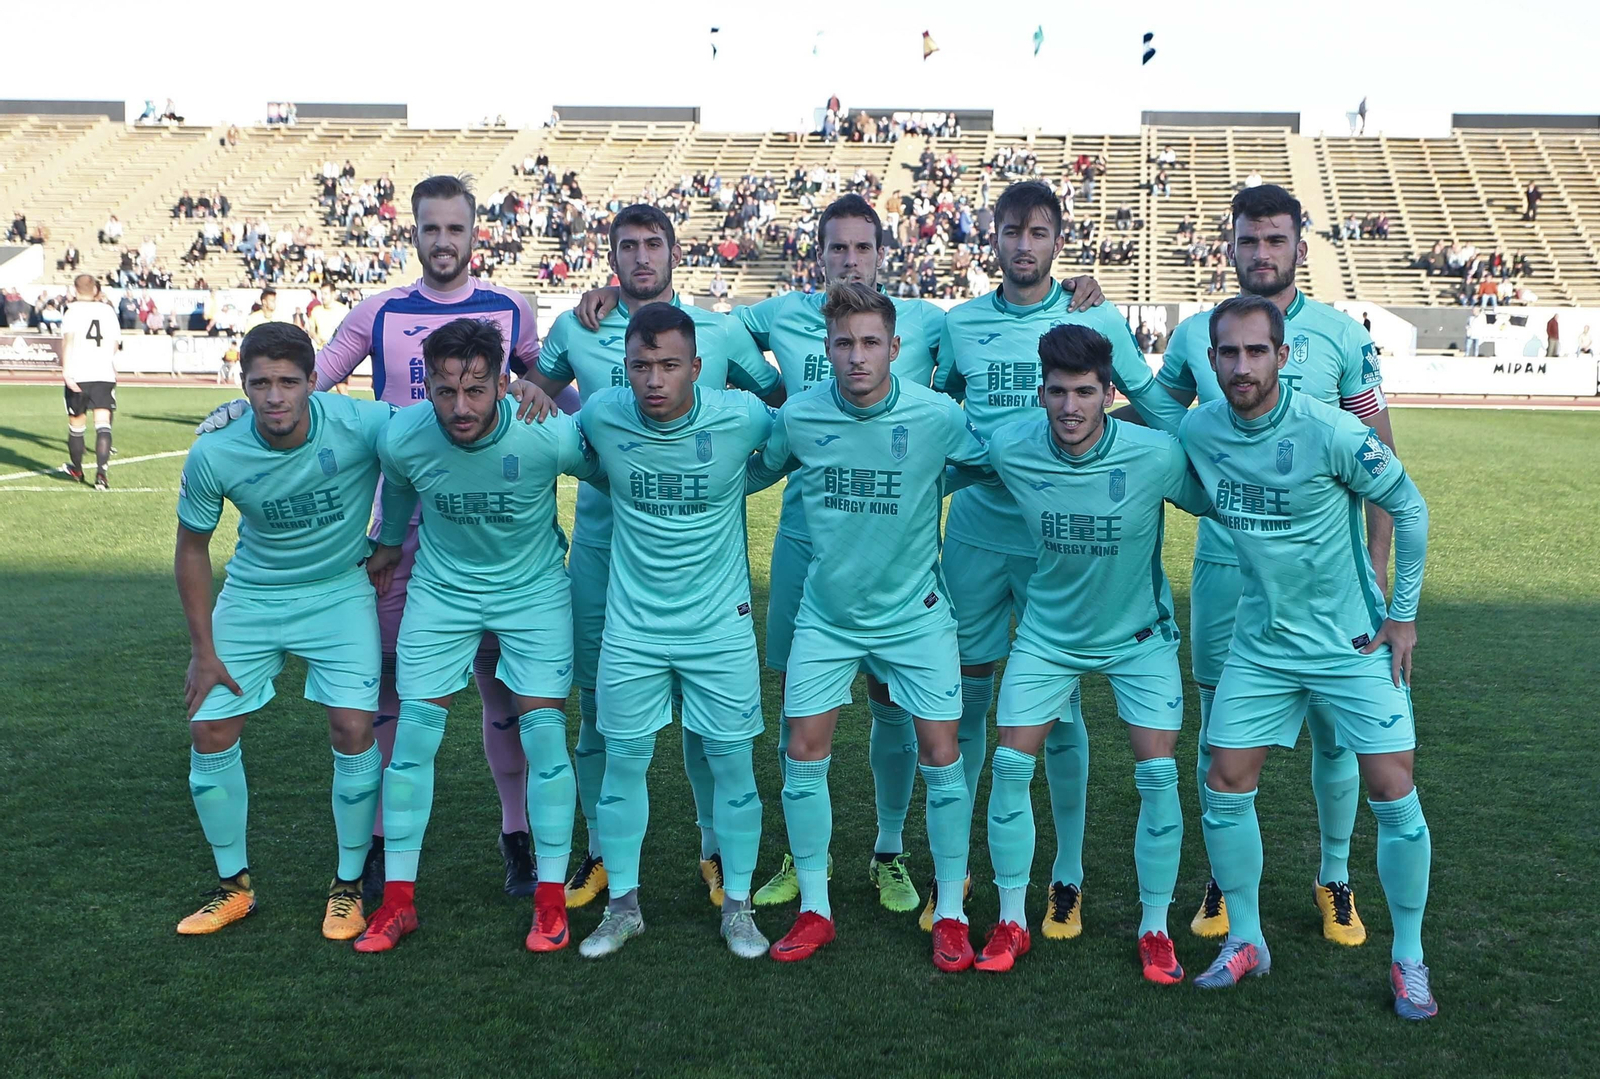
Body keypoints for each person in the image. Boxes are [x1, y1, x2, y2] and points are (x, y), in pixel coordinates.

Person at [195, 175, 562, 905]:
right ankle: (383, 847)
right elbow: (315, 381)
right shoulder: (379, 310)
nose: (444, 241)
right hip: (401, 532)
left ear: (474, 232)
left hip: (489, 528)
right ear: (414, 233)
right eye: (431, 229)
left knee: (505, 690)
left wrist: (550, 384)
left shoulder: (512, 308)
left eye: (456, 229)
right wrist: (244, 401)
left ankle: (516, 836)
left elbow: (549, 391)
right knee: (391, 689)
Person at [1116, 185, 1396, 946]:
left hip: (1329, 583)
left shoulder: (1339, 334)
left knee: (1338, 733)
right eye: (1249, 240)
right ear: (1230, 245)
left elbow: (1382, 451)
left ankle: (1334, 874)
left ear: (1300, 246)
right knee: (1220, 736)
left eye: (1276, 239)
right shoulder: (1197, 338)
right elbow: (1150, 419)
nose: (1262, 253)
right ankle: (1223, 878)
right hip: (1225, 568)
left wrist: (1377, 560)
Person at [514, 204, 783, 912]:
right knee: (602, 712)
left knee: (708, 719)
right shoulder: (580, 325)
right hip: (608, 546)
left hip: (696, 546)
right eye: (626, 245)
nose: (640, 256)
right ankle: (602, 852)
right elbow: (535, 399)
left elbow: (779, 404)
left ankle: (716, 848)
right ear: (610, 254)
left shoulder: (719, 329)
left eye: (652, 244)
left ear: (674, 251)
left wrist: (733, 482)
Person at [1179, 295, 1437, 1021]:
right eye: (1227, 353)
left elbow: (1410, 506)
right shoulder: (1200, 429)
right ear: (1213, 359)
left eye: (1255, 351)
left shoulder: (1331, 430)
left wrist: (1403, 614)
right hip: (1262, 642)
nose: (1240, 365)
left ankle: (1409, 956)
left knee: (1395, 792)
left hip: (1353, 642)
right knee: (1224, 778)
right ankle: (1248, 941)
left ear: (1283, 357)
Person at [753, 282, 992, 970]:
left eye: (869, 343)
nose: (856, 357)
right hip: (826, 617)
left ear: (895, 346)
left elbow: (984, 464)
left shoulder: (936, 415)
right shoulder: (799, 417)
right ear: (824, 349)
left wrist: (930, 488)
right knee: (803, 751)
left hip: (914, 617)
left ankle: (949, 910)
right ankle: (817, 909)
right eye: (842, 344)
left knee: (942, 756)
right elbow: (757, 467)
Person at [354, 318, 599, 955]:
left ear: (503, 383)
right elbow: (402, 490)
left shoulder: (545, 429)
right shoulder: (405, 436)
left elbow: (611, 467)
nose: (459, 408)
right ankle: (398, 903)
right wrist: (385, 546)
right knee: (412, 740)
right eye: (444, 391)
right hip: (442, 592)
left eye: (475, 390)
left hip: (533, 592)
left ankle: (549, 903)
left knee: (544, 732)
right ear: (426, 385)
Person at [976, 324, 1210, 980]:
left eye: (1085, 391)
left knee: (1158, 773)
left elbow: (1220, 500)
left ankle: (1155, 927)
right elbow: (937, 472)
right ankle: (1012, 918)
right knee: (1010, 765)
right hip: (1047, 636)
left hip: (1139, 639)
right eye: (1057, 391)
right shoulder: (1009, 445)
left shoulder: (1154, 454)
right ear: (1040, 392)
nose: (1070, 406)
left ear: (1109, 392)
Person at [931, 181, 1133, 938]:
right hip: (977, 538)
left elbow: (1147, 400)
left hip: (1060, 547)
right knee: (970, 702)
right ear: (993, 236)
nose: (1023, 244)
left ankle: (1068, 872)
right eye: (1011, 230)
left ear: (1059, 239)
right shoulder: (960, 325)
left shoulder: (1088, 314)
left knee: (1062, 708)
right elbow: (936, 406)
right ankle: (960, 868)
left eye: (1038, 231)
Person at [571, 303, 781, 961]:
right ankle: (623, 906)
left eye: (668, 365)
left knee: (731, 765)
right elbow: (566, 447)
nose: (654, 379)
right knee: (623, 763)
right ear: (623, 368)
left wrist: (733, 485)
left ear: (696, 366)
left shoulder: (740, 414)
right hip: (632, 626)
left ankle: (739, 907)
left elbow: (781, 448)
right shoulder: (602, 415)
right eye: (641, 365)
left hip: (719, 626)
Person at [174, 322, 392, 941]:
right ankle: (232, 887)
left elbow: (427, 435)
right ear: (241, 386)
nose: (275, 396)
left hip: (338, 591)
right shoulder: (215, 450)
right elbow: (191, 550)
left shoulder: (358, 423)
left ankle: (348, 886)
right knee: (209, 727)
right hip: (253, 595)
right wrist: (202, 649)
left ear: (315, 382)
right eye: (261, 383)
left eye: (288, 382)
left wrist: (523, 389)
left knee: (353, 727)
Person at [58, 275, 122, 489]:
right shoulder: (107, 310)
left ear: (75, 289)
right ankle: (102, 474)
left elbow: (67, 342)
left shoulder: (72, 311)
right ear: (95, 288)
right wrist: (108, 362)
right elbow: (115, 344)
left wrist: (66, 371)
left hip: (79, 373)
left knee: (77, 425)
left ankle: (77, 469)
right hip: (103, 373)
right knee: (103, 424)